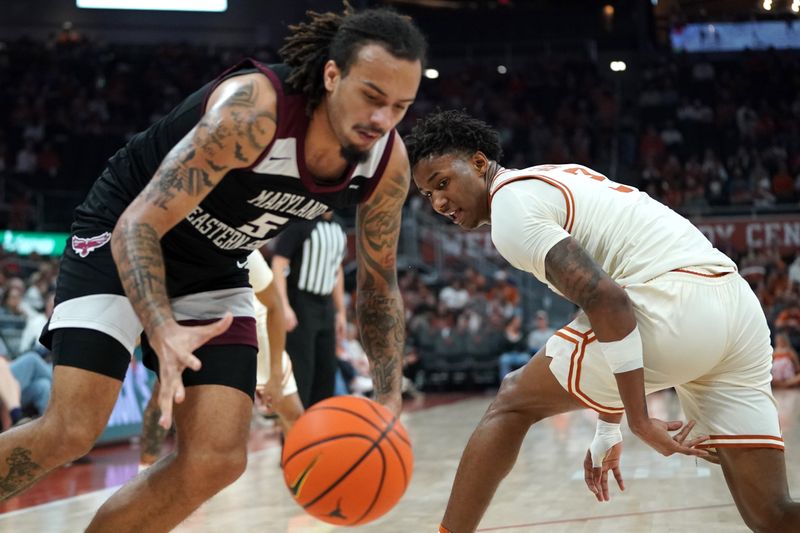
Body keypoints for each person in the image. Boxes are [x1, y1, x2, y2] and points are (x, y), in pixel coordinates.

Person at [0, 5, 425, 531]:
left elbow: (380, 289)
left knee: (217, 461)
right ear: (332, 75)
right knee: (71, 430)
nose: (383, 119)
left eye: (400, 106)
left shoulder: (386, 164)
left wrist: (386, 398)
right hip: (126, 230)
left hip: (215, 266)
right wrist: (161, 329)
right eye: (372, 97)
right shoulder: (253, 112)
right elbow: (139, 227)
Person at [406, 110, 799, 533]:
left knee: (512, 402)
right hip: (737, 309)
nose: (439, 203)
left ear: (480, 163)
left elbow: (608, 300)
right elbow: (605, 307)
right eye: (428, 195)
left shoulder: (511, 211)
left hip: (675, 305)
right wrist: (607, 426)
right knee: (774, 515)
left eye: (443, 182)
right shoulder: (552, 179)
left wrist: (638, 418)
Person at [139, 249, 304, 470]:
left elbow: (274, 305)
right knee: (165, 396)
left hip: (252, 326)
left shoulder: (239, 243)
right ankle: (146, 467)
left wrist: (275, 374)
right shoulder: (163, 245)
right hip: (191, 324)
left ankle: (309, 483)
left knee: (293, 413)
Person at [271, 210, 347, 408]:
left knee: (326, 372)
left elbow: (336, 269)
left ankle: (319, 432)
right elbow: (279, 263)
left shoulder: (340, 225)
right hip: (300, 304)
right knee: (301, 373)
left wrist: (341, 312)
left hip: (326, 305)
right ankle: (292, 435)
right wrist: (284, 306)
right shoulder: (301, 222)